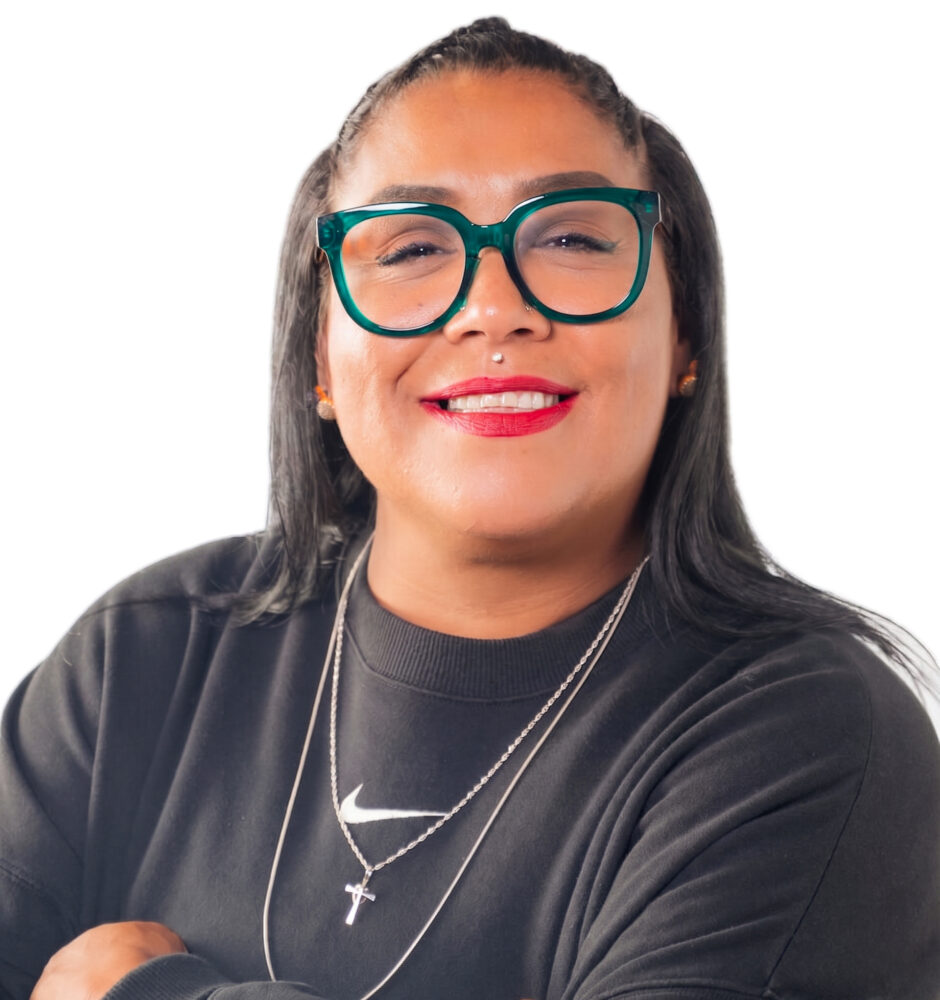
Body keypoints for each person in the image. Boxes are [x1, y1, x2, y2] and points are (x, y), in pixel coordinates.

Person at [3, 17, 938, 1000]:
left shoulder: (809, 737)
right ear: (320, 355)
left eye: (572, 235)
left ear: (685, 335)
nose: (493, 306)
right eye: (410, 249)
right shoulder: (143, 659)